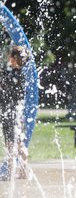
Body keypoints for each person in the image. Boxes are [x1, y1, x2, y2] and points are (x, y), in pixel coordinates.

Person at [0, 45, 30, 180]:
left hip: (8, 113)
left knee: (10, 145)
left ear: (11, 58)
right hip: (18, 113)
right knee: (20, 144)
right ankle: (24, 172)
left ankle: (10, 174)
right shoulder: (22, 74)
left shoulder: (8, 74)